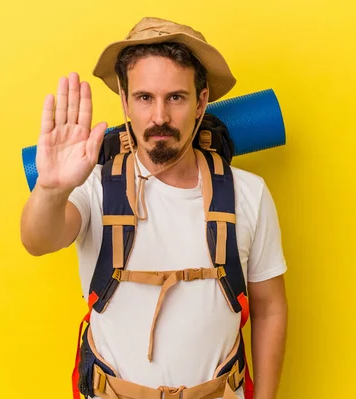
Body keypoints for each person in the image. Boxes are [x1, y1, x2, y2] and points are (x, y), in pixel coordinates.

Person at [20, 16, 288, 399]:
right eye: (145, 97)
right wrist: (51, 188)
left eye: (175, 97)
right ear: (126, 103)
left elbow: (270, 308)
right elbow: (37, 240)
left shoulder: (249, 193)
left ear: (201, 102)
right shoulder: (93, 186)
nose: (159, 116)